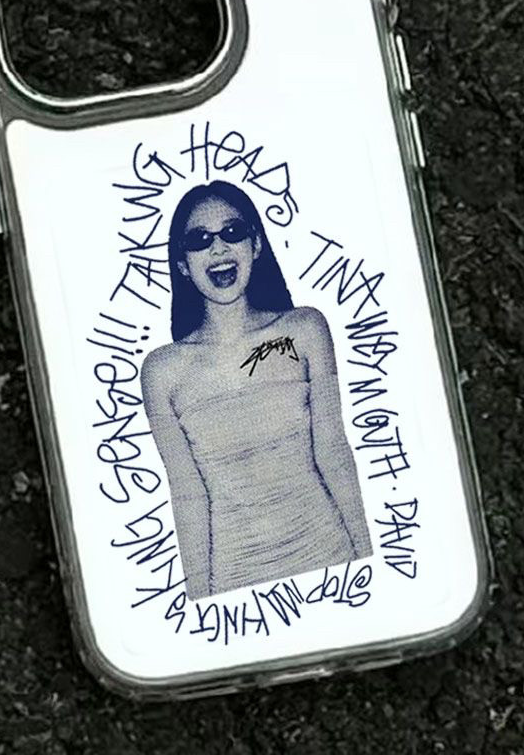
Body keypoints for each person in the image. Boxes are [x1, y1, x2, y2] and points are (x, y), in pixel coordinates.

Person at [140, 180, 372, 600]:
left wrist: (369, 563)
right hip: (236, 581)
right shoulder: (162, 372)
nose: (218, 248)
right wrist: (201, 602)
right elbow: (188, 494)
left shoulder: (305, 329)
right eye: (199, 240)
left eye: (232, 232)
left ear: (256, 245)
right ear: (182, 265)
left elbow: (334, 452)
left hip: (331, 558)